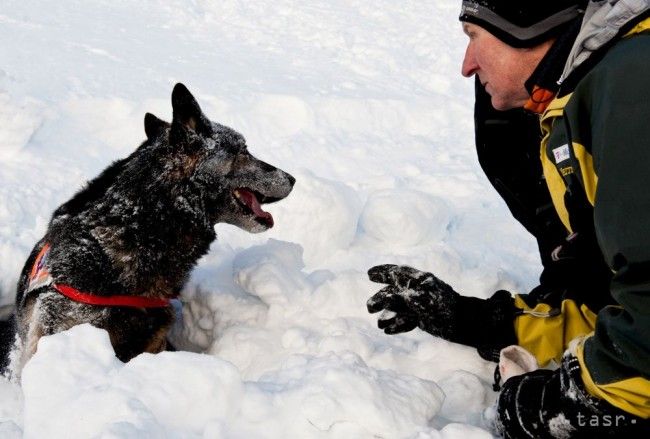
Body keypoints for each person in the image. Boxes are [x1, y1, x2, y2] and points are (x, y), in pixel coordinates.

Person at [366, 0, 650, 436]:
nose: (466, 65)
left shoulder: (633, 83)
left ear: (528, 23)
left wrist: (593, 406)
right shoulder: (599, 89)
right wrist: (478, 322)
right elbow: (613, 295)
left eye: (474, 37)